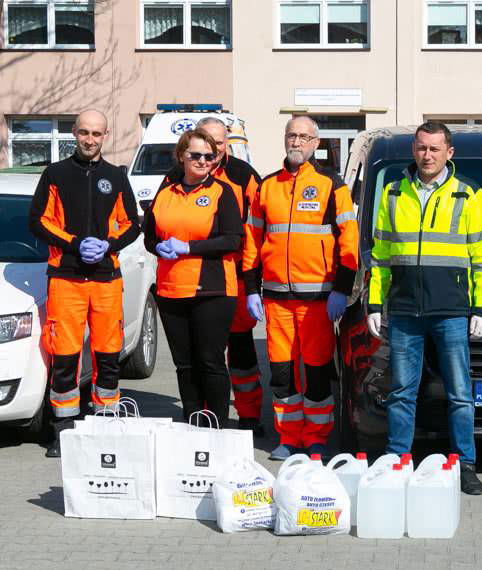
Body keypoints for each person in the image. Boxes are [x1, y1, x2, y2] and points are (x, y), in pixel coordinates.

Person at [367, 121, 482, 495]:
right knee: (401, 393)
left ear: (448, 153)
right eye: (422, 148)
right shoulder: (393, 192)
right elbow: (380, 255)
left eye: (435, 149)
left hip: (451, 310)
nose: (427, 155)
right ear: (414, 150)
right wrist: (375, 302)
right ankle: (397, 463)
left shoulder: (468, 194)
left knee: (460, 394)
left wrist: (481, 308)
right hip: (405, 309)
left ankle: (465, 465)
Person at [243, 116, 358, 460]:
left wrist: (342, 289)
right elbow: (252, 239)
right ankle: (288, 435)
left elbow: (349, 241)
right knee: (281, 371)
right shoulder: (267, 186)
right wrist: (251, 289)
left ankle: (317, 437)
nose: (297, 142)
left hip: (319, 300)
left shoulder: (331, 184)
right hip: (276, 298)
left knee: (317, 370)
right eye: (292, 135)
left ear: (316, 143)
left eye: (304, 137)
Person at [29, 109, 140, 458]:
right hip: (66, 276)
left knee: (108, 352)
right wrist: (75, 244)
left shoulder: (116, 176)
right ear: (74, 133)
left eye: (96, 134)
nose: (90, 140)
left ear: (105, 136)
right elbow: (38, 221)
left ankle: (106, 421)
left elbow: (133, 224)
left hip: (106, 277)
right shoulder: (55, 174)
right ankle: (63, 426)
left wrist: (109, 245)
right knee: (64, 353)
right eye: (84, 132)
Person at [160, 117, 265, 435]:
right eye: (207, 141)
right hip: (190, 279)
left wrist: (253, 282)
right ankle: (202, 415)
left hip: (235, 275)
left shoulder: (243, 175)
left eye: (219, 143)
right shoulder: (176, 176)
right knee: (201, 354)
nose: (213, 150)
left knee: (240, 349)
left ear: (227, 143)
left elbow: (256, 231)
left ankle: (248, 414)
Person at [143, 128, 243, 427]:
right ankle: (192, 420)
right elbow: (150, 236)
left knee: (210, 361)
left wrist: (189, 247)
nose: (203, 161)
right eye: (195, 155)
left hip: (211, 289)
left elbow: (233, 239)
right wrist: (157, 247)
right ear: (181, 157)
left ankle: (216, 424)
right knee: (184, 364)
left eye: (209, 157)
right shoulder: (166, 192)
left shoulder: (221, 192)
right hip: (171, 289)